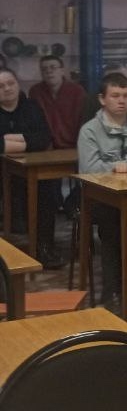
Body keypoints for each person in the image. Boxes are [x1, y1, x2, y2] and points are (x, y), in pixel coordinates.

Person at [77, 71, 127, 308]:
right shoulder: (89, 130)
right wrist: (123, 166)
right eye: (115, 95)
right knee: (112, 225)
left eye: (126, 95)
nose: (121, 100)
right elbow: (89, 169)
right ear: (102, 99)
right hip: (102, 199)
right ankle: (112, 291)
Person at [0, 66, 61, 268]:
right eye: (1, 86)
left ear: (18, 85)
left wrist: (9, 140)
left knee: (47, 189)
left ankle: (44, 247)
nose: (7, 89)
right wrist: (26, 140)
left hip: (29, 170)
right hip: (2, 173)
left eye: (11, 83)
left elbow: (44, 138)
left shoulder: (31, 107)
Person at [28, 55, 86, 149]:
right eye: (44, 69)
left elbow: (83, 121)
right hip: (45, 147)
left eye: (53, 67)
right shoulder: (35, 92)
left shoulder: (77, 91)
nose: (49, 71)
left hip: (73, 145)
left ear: (62, 71)